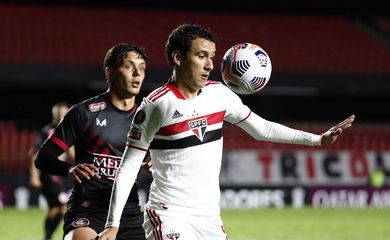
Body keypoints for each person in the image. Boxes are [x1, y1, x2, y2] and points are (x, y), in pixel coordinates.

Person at [97, 23, 355, 240]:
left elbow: (262, 128)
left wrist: (317, 140)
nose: (210, 64)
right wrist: (112, 224)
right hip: (169, 214)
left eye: (212, 56)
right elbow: (128, 167)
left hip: (209, 218)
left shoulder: (219, 94)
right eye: (201, 56)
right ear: (178, 57)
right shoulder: (157, 104)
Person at [34, 43, 151, 240]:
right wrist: (70, 169)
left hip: (128, 212)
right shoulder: (84, 113)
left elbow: (153, 158)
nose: (137, 73)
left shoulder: (148, 118)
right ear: (109, 72)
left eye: (142, 68)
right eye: (129, 66)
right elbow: (42, 158)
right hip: (87, 209)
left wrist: (152, 163)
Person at [29, 101, 74, 240]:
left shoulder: (67, 130)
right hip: (49, 174)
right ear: (54, 115)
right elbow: (34, 153)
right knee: (63, 206)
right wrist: (34, 176)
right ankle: (60, 236)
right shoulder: (48, 131)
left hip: (59, 173)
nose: (62, 116)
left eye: (64, 113)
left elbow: (72, 155)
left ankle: (47, 237)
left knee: (55, 209)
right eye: (59, 113)